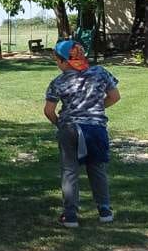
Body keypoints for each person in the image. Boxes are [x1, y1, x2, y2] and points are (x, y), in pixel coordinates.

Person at [44, 40, 121, 227]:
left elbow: (49, 110)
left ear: (64, 61)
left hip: (70, 128)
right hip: (96, 129)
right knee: (97, 168)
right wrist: (95, 109)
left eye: (57, 61)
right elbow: (115, 96)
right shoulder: (100, 73)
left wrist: (60, 124)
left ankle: (70, 215)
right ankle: (105, 210)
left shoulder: (58, 82)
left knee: (69, 171)